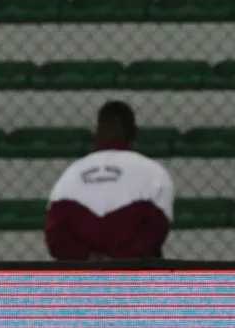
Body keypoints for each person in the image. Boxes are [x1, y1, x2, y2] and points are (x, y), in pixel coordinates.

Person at [45, 101, 174, 261]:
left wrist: (88, 257)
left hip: (86, 279)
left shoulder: (69, 176)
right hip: (134, 277)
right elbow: (156, 229)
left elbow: (56, 236)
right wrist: (121, 260)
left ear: (96, 132)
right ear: (134, 133)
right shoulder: (154, 173)